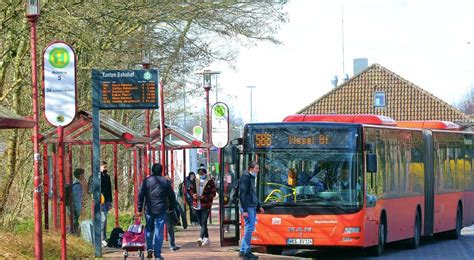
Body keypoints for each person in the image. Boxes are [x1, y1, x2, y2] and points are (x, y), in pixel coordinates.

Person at [137, 163, 176, 260]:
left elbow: (140, 195)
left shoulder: (146, 181)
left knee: (149, 228)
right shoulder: (165, 182)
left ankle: (149, 248)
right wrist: (171, 207)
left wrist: (139, 209)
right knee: (159, 231)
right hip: (161, 209)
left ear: (152, 170)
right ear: (161, 171)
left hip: (149, 209)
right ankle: (157, 254)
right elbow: (172, 196)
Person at [239, 161, 264, 259]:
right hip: (247, 206)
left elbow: (253, 193)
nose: (258, 170)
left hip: (251, 205)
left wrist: (258, 206)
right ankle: (247, 252)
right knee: (249, 229)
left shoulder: (251, 178)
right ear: (251, 169)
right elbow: (243, 195)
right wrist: (244, 210)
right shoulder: (246, 178)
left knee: (249, 228)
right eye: (256, 168)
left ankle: (243, 250)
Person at [188, 167, 216, 246]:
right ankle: (206, 238)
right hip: (197, 204)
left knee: (204, 221)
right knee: (201, 222)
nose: (201, 175)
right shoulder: (195, 181)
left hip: (206, 205)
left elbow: (213, 193)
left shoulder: (210, 182)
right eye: (199, 174)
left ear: (205, 174)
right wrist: (193, 195)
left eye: (202, 174)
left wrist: (204, 197)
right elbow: (190, 190)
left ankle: (200, 238)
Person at [163, 173, 180, 252]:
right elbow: (172, 198)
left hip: (158, 210)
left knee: (157, 228)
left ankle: (153, 246)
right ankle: (172, 245)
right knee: (170, 229)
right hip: (167, 210)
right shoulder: (168, 187)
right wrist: (171, 208)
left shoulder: (157, 186)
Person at [100, 161, 112, 246]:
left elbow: (109, 189)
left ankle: (103, 237)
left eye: (106, 167)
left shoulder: (107, 177)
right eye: (104, 167)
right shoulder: (97, 177)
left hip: (106, 200)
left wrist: (110, 201)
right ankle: (101, 238)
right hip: (100, 200)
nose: (105, 169)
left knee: (105, 220)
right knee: (102, 219)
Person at [71, 168, 86, 234]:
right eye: (83, 174)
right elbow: (77, 199)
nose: (84, 176)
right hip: (75, 209)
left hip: (74, 208)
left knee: (75, 224)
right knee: (75, 225)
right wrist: (78, 210)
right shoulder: (77, 185)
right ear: (80, 175)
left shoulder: (75, 184)